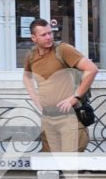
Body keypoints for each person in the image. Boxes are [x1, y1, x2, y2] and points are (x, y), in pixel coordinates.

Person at [23, 17, 97, 154]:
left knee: (69, 163)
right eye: (43, 35)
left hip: (69, 117)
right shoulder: (31, 55)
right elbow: (27, 76)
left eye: (50, 33)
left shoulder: (63, 50)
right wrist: (35, 98)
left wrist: (75, 97)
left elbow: (91, 69)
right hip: (48, 118)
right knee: (49, 164)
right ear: (34, 38)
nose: (48, 37)